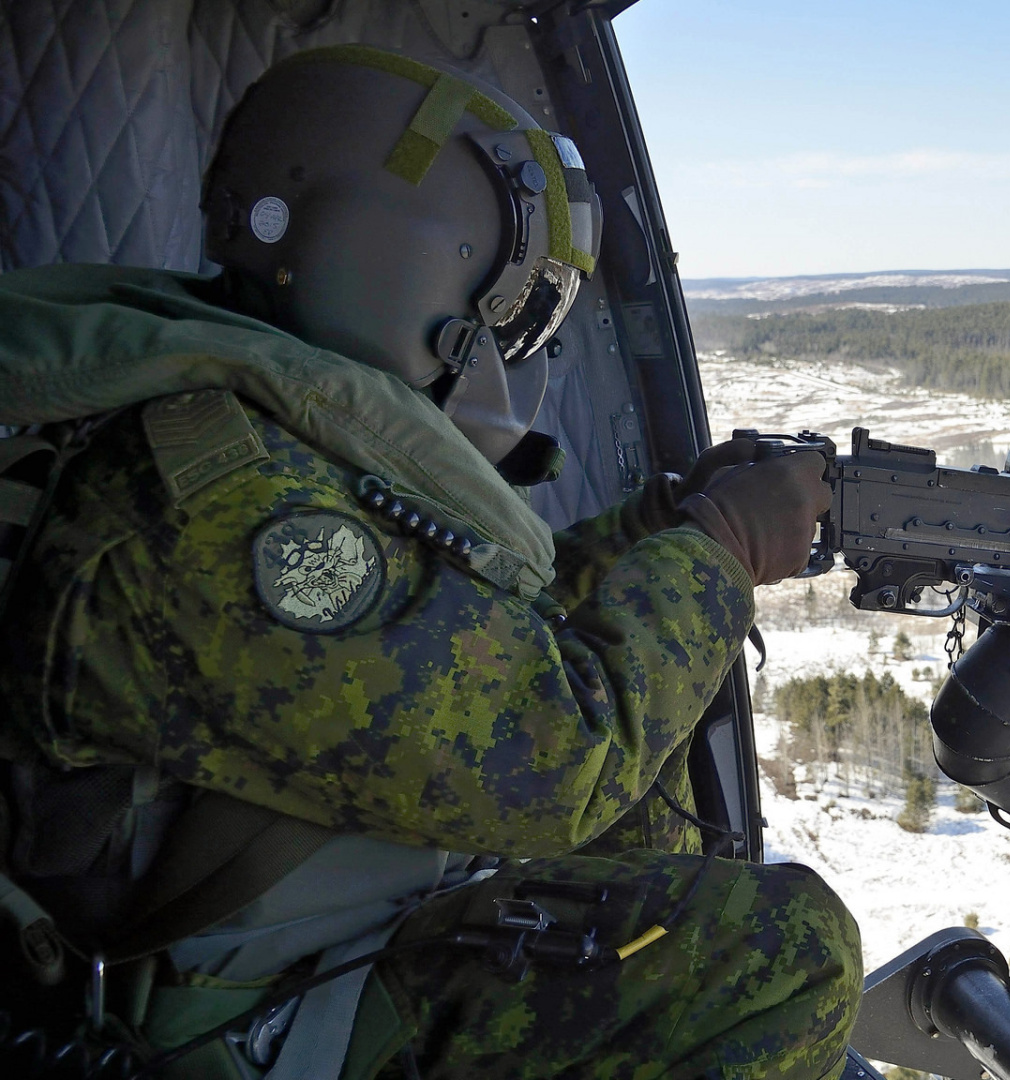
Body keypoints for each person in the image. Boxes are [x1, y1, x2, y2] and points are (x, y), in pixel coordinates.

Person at [0, 45, 858, 1080]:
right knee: (786, 953)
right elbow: (554, 759)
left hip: (294, 950)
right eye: (505, 295)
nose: (511, 340)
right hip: (225, 1025)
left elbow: (453, 647)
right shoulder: (222, 507)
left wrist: (661, 525)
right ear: (397, 257)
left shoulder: (243, 421)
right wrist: (724, 549)